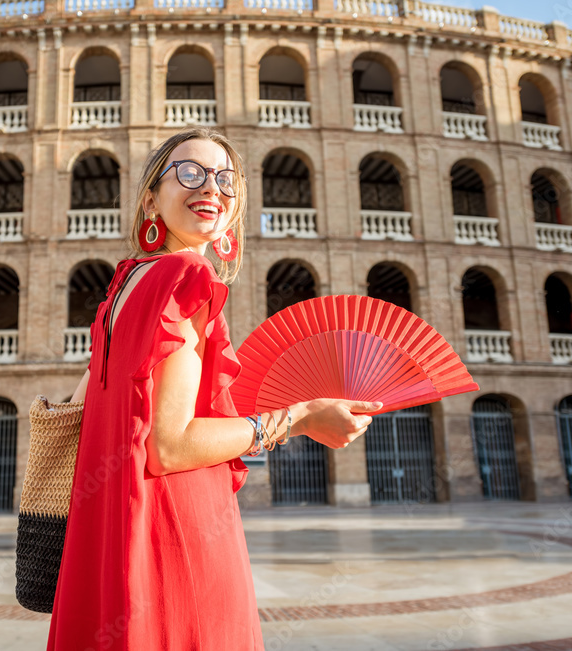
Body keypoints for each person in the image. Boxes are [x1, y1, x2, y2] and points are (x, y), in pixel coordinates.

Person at [46, 128, 381, 650]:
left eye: (226, 179)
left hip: (114, 542)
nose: (211, 188)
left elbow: (87, 407)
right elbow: (169, 446)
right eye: (189, 172)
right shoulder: (185, 277)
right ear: (150, 198)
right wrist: (301, 416)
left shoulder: (126, 283)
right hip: (178, 544)